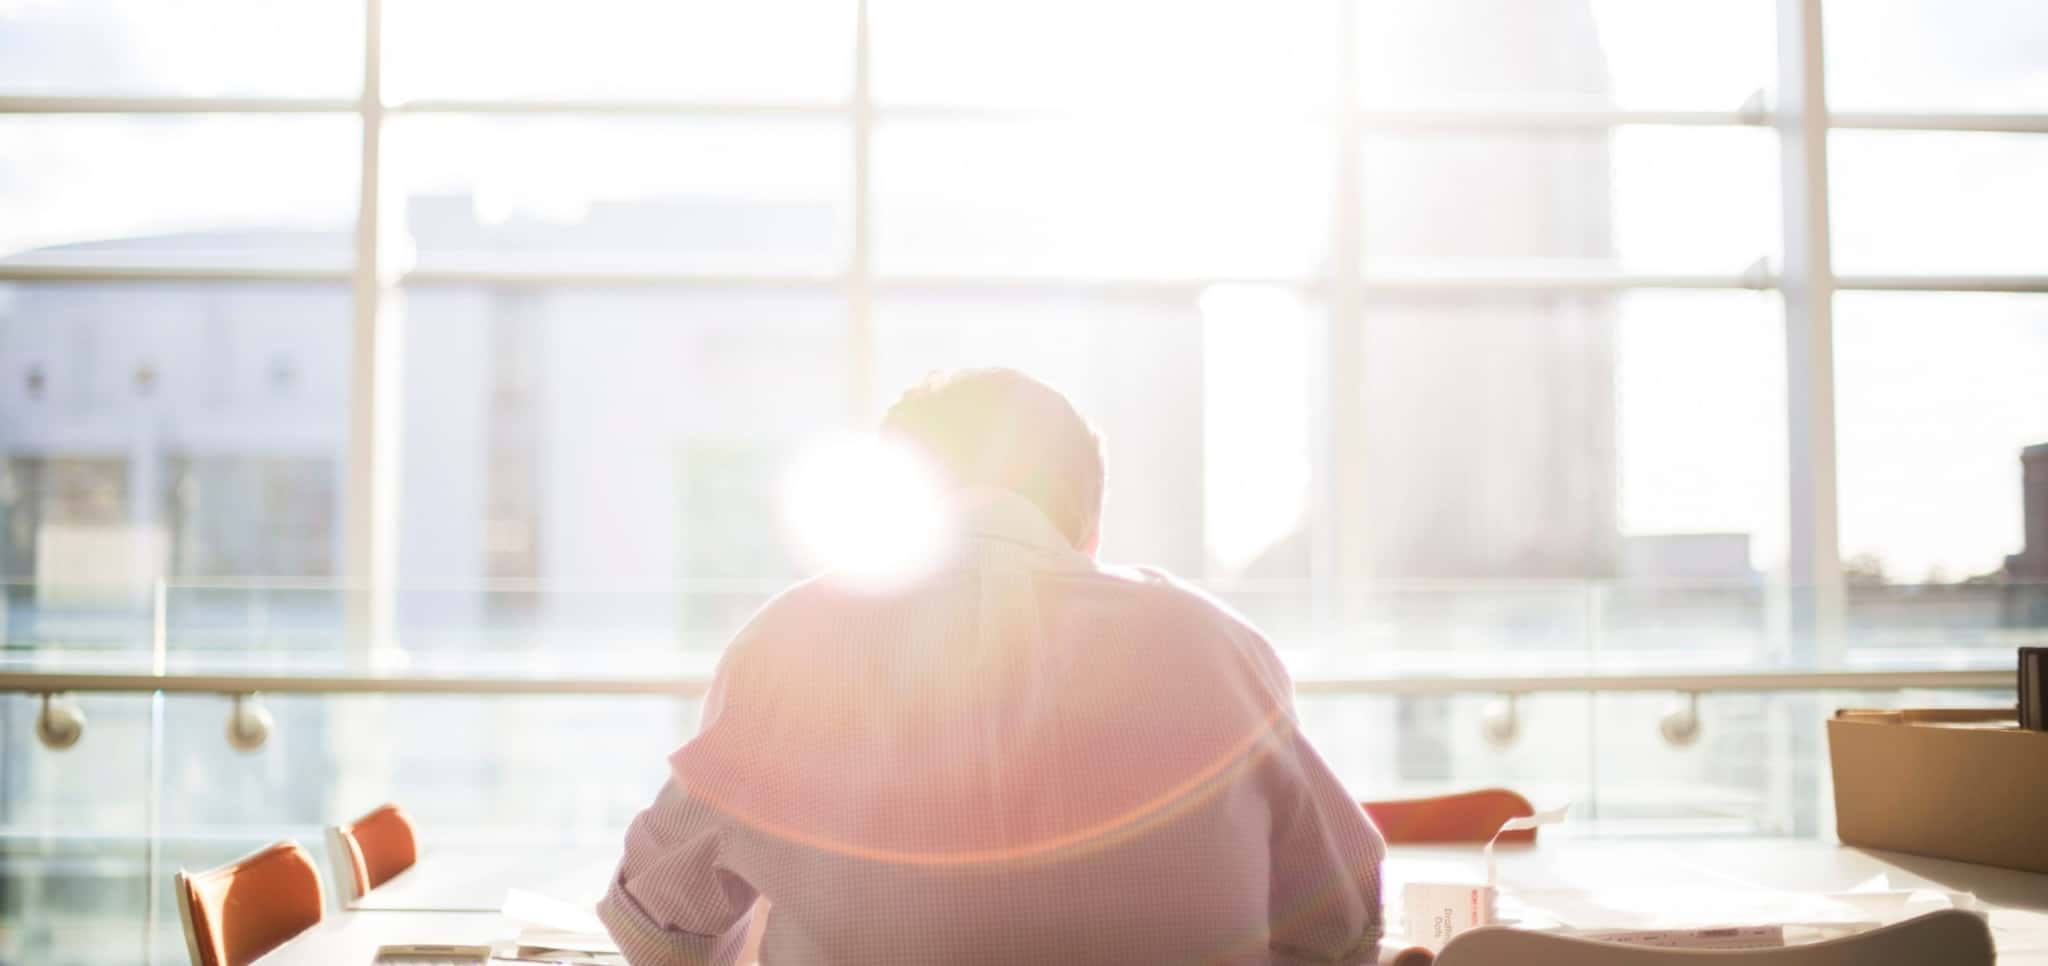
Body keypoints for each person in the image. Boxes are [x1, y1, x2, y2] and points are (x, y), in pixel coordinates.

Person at [599, 368, 1385, 965]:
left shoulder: (792, 643)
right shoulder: (1217, 647)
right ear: (1090, 522)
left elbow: (657, 926)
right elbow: (1342, 922)